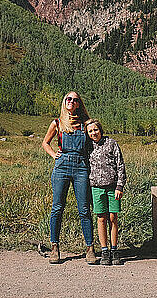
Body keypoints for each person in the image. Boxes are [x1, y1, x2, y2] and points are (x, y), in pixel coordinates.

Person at [42, 91, 96, 265]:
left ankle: (90, 249)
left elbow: (95, 140)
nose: (71, 101)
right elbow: (45, 142)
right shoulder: (57, 123)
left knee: (84, 210)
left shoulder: (85, 124)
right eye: (68, 99)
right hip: (62, 167)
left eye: (75, 100)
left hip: (81, 167)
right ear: (64, 102)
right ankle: (55, 248)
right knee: (57, 208)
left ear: (79, 104)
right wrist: (53, 154)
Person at [86, 119, 126, 265]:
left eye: (95, 130)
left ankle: (114, 249)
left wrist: (119, 186)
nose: (93, 133)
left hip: (112, 187)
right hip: (96, 187)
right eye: (90, 131)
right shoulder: (88, 146)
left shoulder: (112, 143)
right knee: (101, 218)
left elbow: (120, 165)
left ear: (100, 130)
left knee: (112, 217)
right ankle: (104, 250)